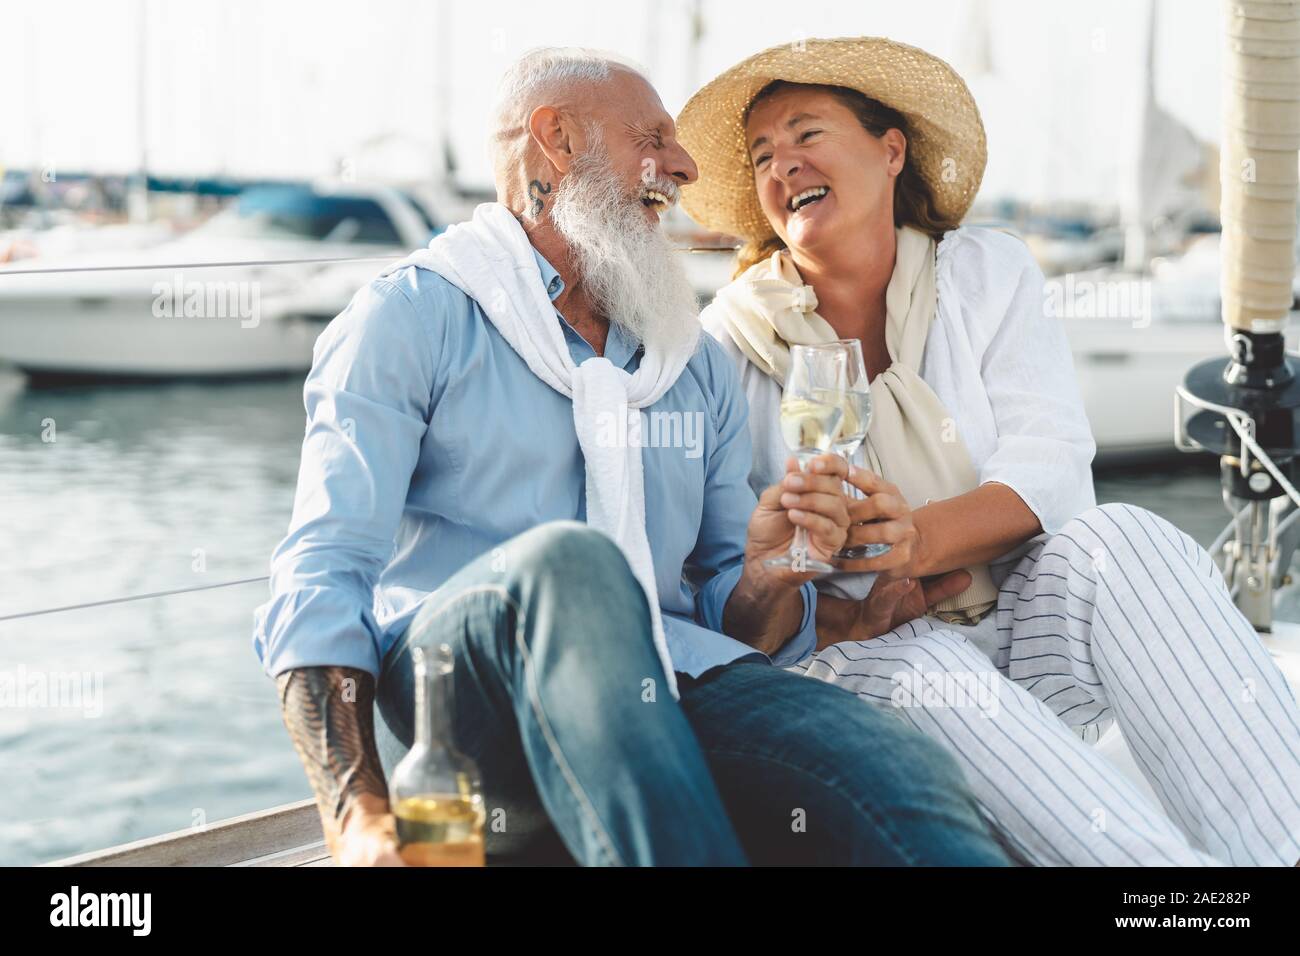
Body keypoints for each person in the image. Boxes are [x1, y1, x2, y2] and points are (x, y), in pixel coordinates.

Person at [252, 47, 1011, 867]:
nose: (683, 167)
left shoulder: (691, 361)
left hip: (669, 673)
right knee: (574, 567)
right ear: (558, 140)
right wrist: (355, 810)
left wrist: (763, 574)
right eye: (653, 137)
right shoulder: (411, 316)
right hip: (460, 695)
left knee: (892, 764)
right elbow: (323, 573)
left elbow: (736, 613)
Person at [677, 36, 1300, 866]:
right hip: (857, 651)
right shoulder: (724, 347)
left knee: (1129, 538)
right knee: (922, 658)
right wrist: (806, 572)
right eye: (762, 154)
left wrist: (916, 539)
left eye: (806, 135)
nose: (782, 164)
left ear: (890, 149)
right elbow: (726, 603)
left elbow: (1050, 467)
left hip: (1012, 621)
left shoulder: (983, 274)